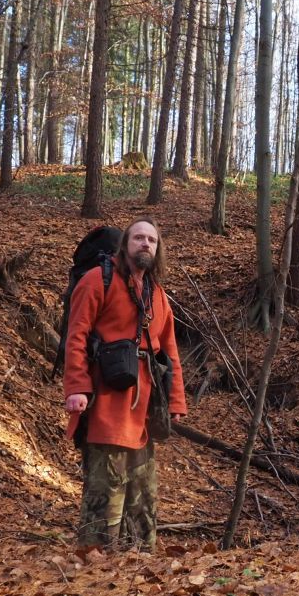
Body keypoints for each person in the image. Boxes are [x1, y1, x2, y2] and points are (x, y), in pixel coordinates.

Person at [62, 217, 187, 551]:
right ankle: (93, 571)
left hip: (144, 410)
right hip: (106, 405)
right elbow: (76, 336)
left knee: (143, 502)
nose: (145, 244)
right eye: (138, 238)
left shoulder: (157, 294)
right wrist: (76, 388)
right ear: (125, 244)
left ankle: (139, 571)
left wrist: (175, 402)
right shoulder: (96, 281)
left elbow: (169, 349)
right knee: (104, 497)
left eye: (152, 240)